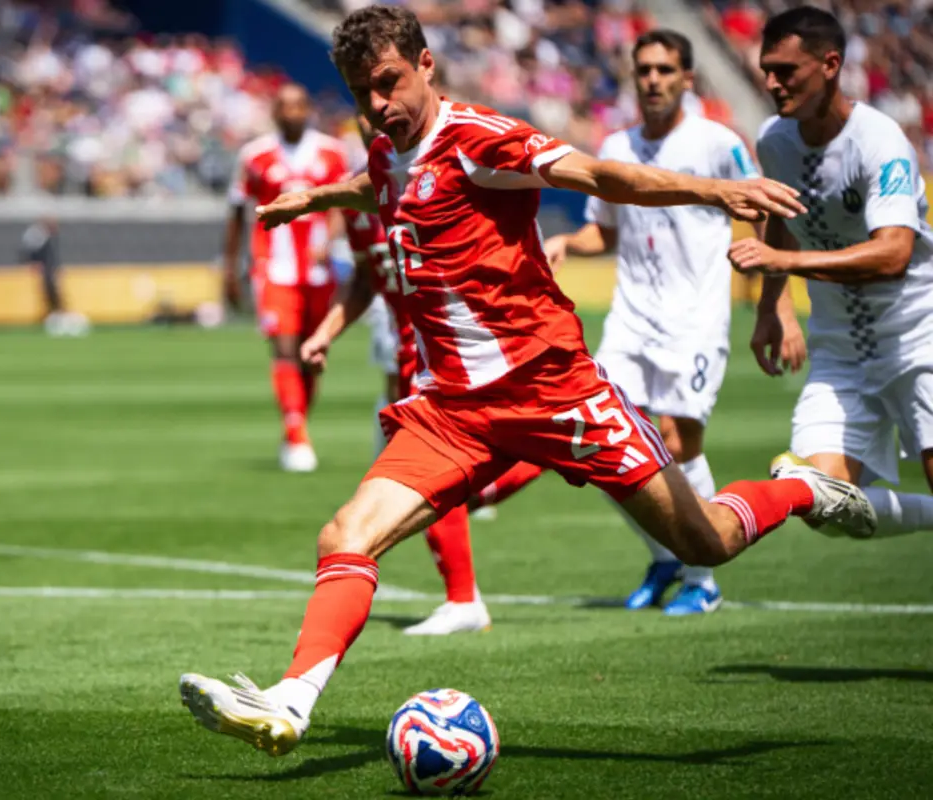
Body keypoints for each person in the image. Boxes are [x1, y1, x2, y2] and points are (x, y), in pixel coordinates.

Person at [179, 4, 875, 757]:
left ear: (424, 66)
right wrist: (317, 196)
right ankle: (289, 702)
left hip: (556, 392)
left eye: (387, 83)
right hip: (453, 411)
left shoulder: (480, 138)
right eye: (360, 93)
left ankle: (803, 487)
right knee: (345, 534)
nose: (378, 106)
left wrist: (713, 193)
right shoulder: (386, 151)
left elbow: (599, 174)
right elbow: (374, 183)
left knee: (703, 541)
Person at [544, 30, 758, 616]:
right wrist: (566, 240)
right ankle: (665, 553)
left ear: (688, 77)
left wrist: (776, 299)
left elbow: (762, 206)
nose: (655, 80)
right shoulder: (615, 147)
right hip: (631, 318)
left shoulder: (717, 143)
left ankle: (703, 578)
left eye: (666, 69)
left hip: (696, 317)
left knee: (676, 440)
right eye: (645, 70)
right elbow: (605, 232)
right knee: (601, 446)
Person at [304, 113, 544, 635]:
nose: (373, 117)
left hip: (441, 352)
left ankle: (463, 600)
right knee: (410, 483)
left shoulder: (441, 170)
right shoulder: (359, 194)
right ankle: (540, 453)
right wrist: (326, 331)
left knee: (413, 474)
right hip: (395, 352)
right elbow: (368, 278)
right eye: (362, 107)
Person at [730, 6, 933, 538]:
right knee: (824, 503)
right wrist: (774, 306)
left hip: (918, 339)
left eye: (785, 71)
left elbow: (892, 255)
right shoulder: (774, 140)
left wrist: (785, 265)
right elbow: (782, 222)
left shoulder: (879, 141)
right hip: (840, 350)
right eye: (766, 69)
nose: (771, 83)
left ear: (830, 64)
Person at [223, 83, 350, 472]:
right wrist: (229, 268)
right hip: (273, 269)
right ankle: (296, 433)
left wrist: (329, 240)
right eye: (284, 106)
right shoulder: (255, 156)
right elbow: (237, 213)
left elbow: (345, 205)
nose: (292, 112)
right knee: (283, 348)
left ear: (308, 109)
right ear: (274, 112)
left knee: (311, 354)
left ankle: (296, 424)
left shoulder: (332, 152)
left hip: (318, 271)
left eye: (298, 105)